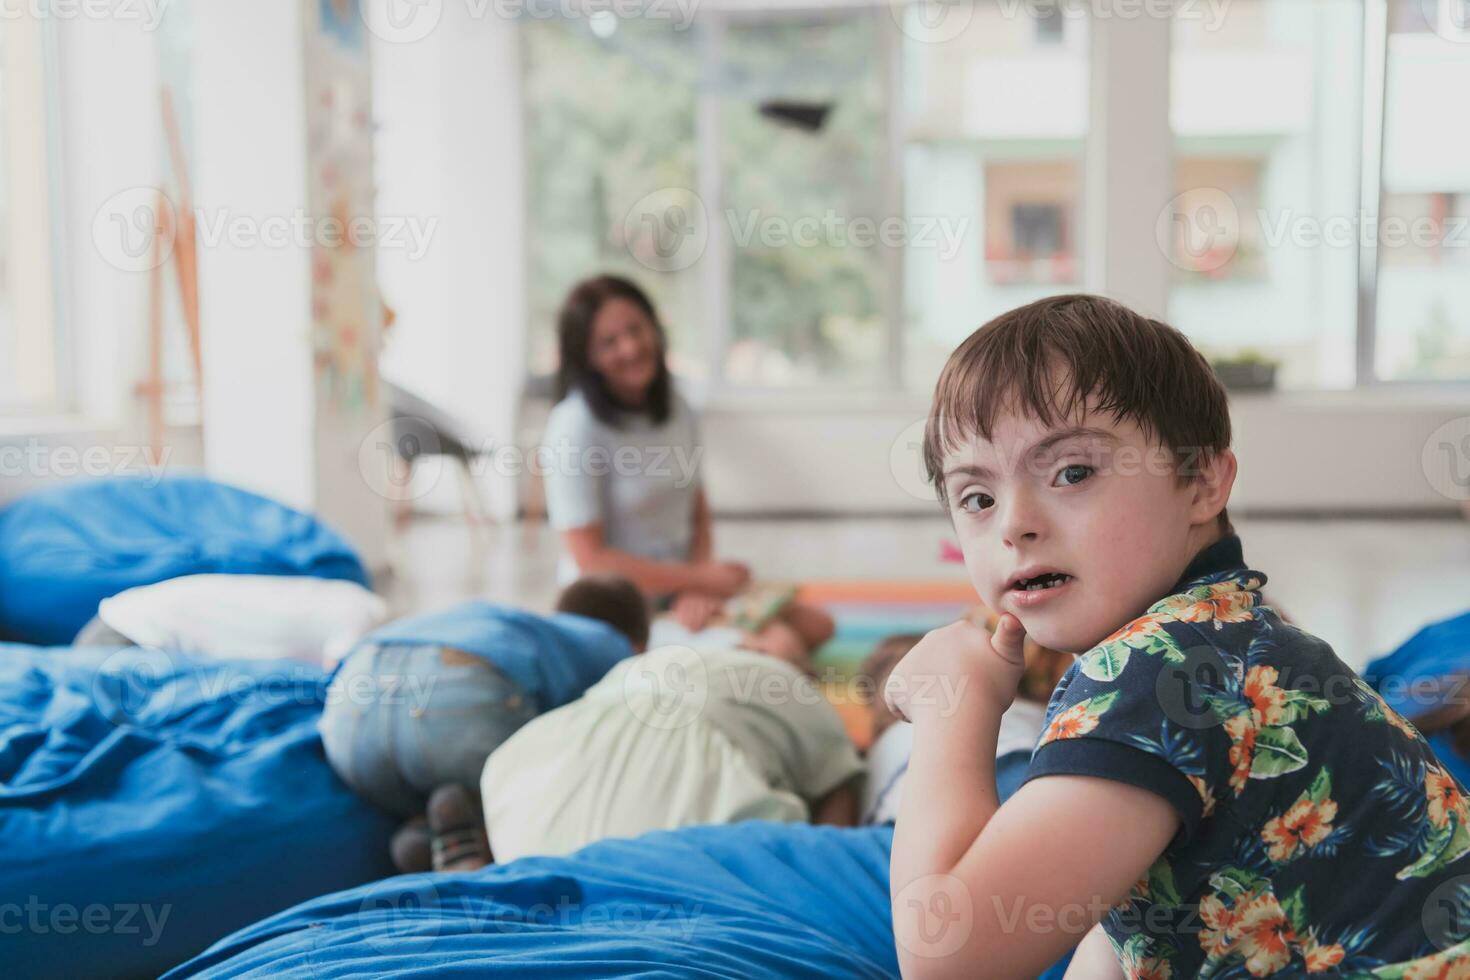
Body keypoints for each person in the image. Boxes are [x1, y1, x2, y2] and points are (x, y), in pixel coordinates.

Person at [884, 294, 1470, 977]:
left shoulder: (1159, 672)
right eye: (977, 498)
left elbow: (948, 959)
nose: (1014, 523)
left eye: (1073, 472)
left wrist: (949, 711)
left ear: (1201, 482)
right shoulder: (1233, 637)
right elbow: (1125, 931)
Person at [541, 274, 834, 656]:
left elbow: (696, 504)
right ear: (586, 356)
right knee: (782, 647)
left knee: (818, 623)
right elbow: (591, 560)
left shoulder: (678, 407)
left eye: (636, 330)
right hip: (618, 607)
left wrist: (698, 586)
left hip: (681, 589)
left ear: (655, 328)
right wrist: (699, 578)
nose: (630, 348)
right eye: (609, 342)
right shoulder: (574, 425)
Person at [318, 575, 649, 872]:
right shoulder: (602, 640)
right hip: (459, 694)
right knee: (546, 794)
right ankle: (477, 835)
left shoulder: (496, 620)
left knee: (437, 772)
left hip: (351, 713)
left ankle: (430, 831)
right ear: (636, 642)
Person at [476, 642, 865, 865]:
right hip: (679, 864)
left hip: (533, 820)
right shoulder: (789, 687)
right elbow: (837, 816)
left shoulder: (641, 665)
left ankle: (471, 867)